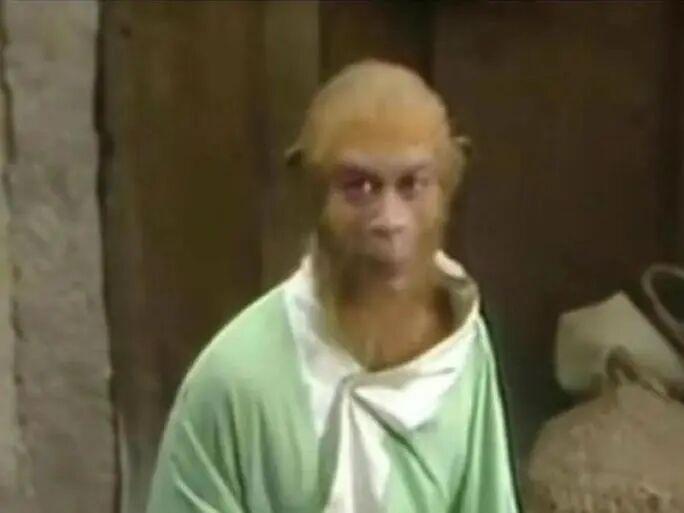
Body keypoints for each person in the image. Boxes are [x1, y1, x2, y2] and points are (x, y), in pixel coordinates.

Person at [146, 59, 520, 513]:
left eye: (412, 185)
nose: (389, 221)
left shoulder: (460, 350)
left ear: (447, 186)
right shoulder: (235, 380)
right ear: (311, 190)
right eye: (359, 187)